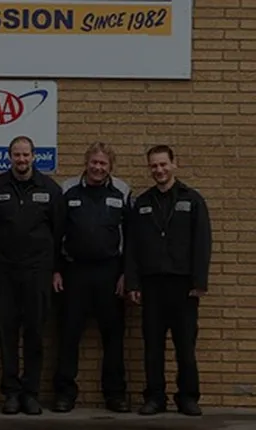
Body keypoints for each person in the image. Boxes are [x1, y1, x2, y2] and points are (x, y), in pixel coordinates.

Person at [0, 136, 64, 415]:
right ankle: (12, 393)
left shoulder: (50, 189)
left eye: (26, 154)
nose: (22, 159)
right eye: (17, 155)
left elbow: (59, 232)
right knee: (7, 333)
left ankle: (31, 393)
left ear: (34, 156)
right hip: (3, 274)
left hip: (38, 274)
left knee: (35, 333)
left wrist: (55, 269)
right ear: (9, 157)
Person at [125, 144, 212, 417]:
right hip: (152, 285)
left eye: (163, 164)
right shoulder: (142, 203)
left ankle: (188, 397)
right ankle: (155, 398)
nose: (159, 170)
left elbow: (202, 242)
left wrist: (199, 282)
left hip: (184, 287)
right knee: (153, 347)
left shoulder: (193, 200)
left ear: (174, 164)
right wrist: (133, 283)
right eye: (154, 165)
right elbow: (132, 246)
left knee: (185, 346)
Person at [51, 142, 131, 413]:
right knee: (68, 334)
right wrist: (56, 269)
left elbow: (131, 238)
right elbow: (55, 233)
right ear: (86, 163)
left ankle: (115, 394)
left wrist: (126, 274)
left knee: (113, 337)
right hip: (74, 272)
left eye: (103, 163)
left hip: (110, 273)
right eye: (94, 162)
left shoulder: (122, 191)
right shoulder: (67, 190)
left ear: (110, 166)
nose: (98, 167)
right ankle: (64, 394)